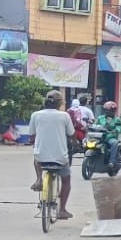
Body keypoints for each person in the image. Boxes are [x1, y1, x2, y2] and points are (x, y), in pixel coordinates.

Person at [28, 90, 75, 220]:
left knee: (36, 156)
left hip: (41, 157)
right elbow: (72, 134)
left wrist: (34, 142)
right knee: (66, 180)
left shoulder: (35, 115)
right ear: (60, 103)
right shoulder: (64, 116)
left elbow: (31, 136)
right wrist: (76, 143)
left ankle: (39, 178)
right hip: (60, 157)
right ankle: (62, 210)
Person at [96, 101, 121, 169]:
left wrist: (115, 131)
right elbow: (95, 125)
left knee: (114, 143)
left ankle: (111, 161)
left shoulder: (117, 120)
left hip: (110, 137)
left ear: (113, 111)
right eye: (106, 110)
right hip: (99, 136)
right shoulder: (100, 118)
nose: (107, 112)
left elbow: (118, 128)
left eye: (109, 110)